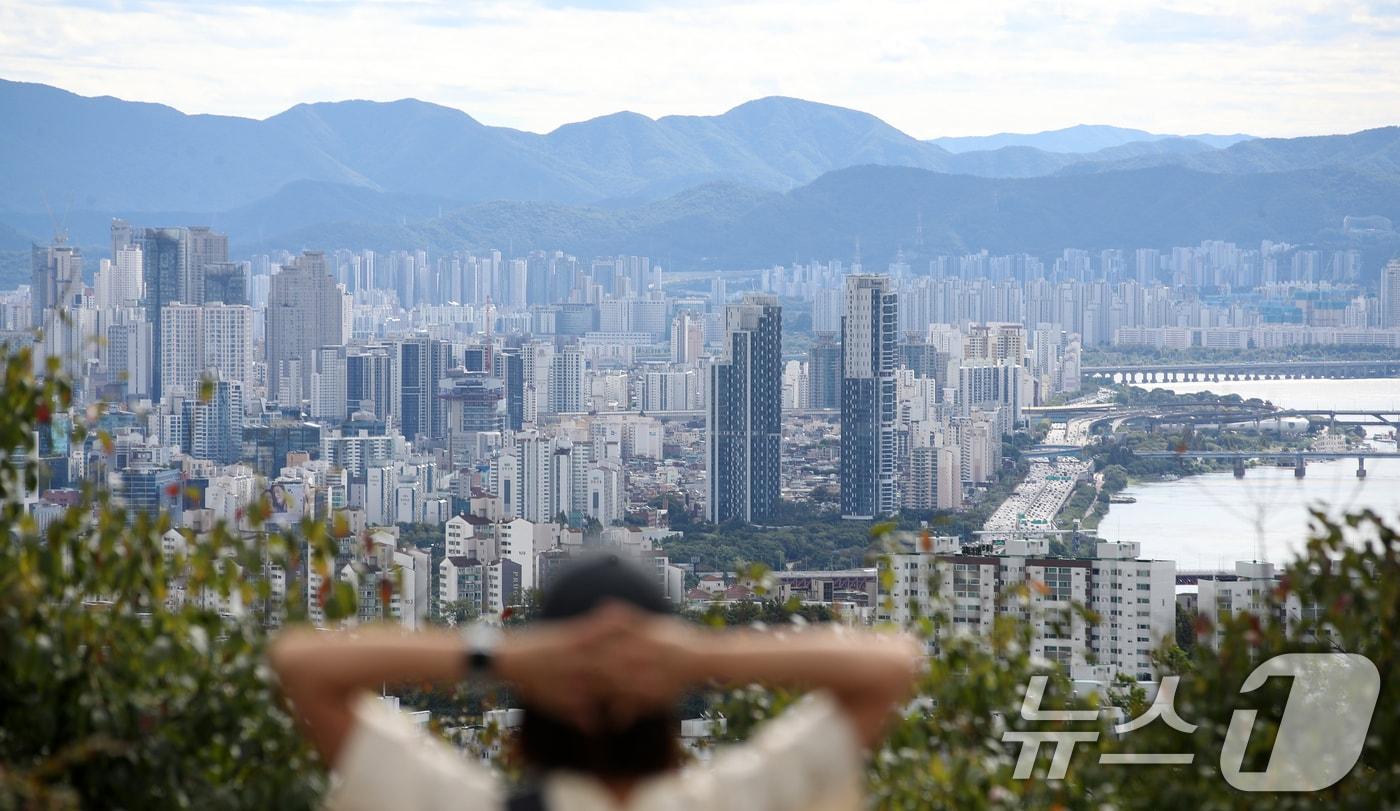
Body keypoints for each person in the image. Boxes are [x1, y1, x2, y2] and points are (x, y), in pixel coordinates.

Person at [270, 555, 921, 810]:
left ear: (539, 706)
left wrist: (503, 655)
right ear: (664, 707)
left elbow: (303, 666)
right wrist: (697, 657)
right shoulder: (741, 799)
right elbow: (889, 667)